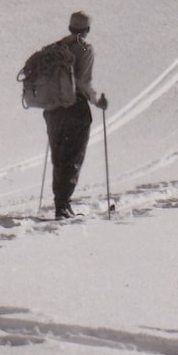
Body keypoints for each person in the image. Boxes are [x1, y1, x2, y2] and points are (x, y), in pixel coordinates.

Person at [42, 11, 108, 220]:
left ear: (70, 27)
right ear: (87, 29)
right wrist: (97, 100)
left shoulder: (56, 48)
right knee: (73, 156)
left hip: (52, 109)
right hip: (75, 107)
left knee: (59, 155)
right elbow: (83, 81)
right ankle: (63, 205)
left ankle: (60, 203)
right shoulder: (84, 49)